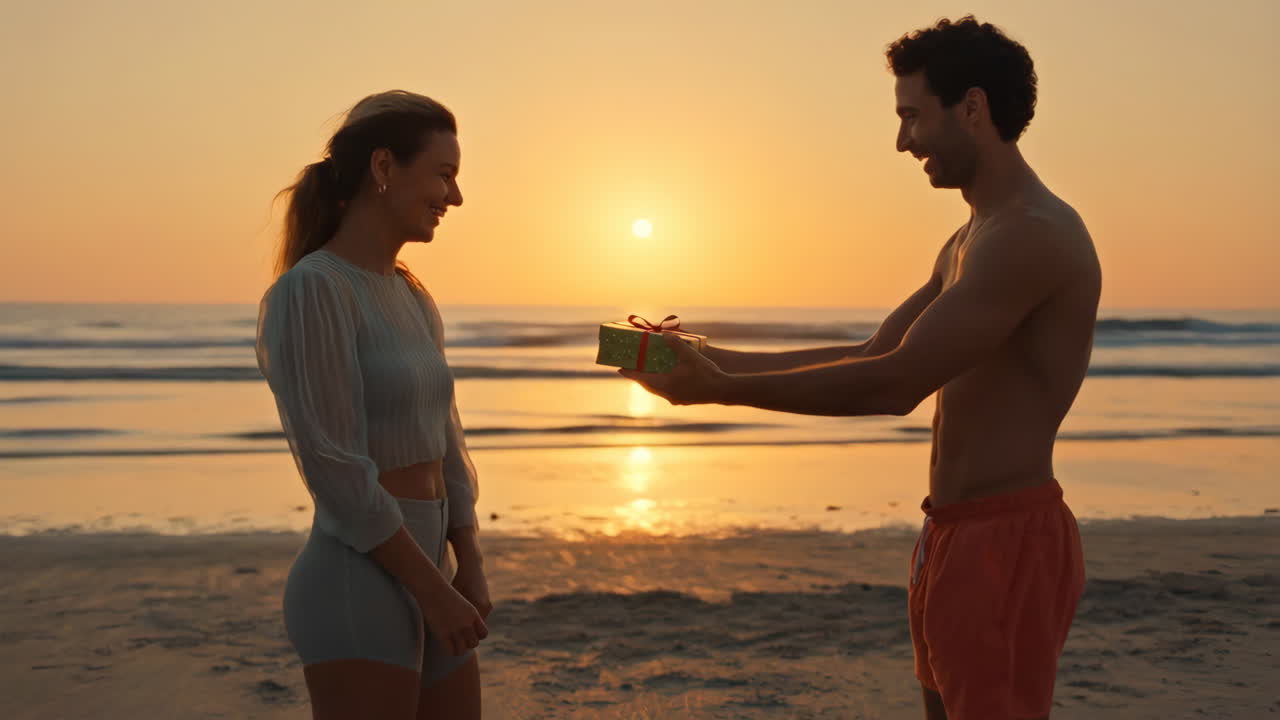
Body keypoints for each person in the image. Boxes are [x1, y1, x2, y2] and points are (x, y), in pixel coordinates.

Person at [620, 16, 1098, 720]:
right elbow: (874, 352)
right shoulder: (971, 237)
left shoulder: (1031, 236)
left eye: (912, 116)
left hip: (1006, 539)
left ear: (972, 107)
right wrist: (707, 356)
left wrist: (722, 392)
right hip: (950, 531)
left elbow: (897, 385)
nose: (902, 140)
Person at [256, 90, 491, 720]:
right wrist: (431, 591)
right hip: (358, 579)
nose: (456, 197)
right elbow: (337, 471)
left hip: (434, 567)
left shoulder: (412, 297)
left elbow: (446, 441)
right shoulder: (313, 291)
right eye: (444, 175)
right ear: (384, 168)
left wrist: (466, 559)